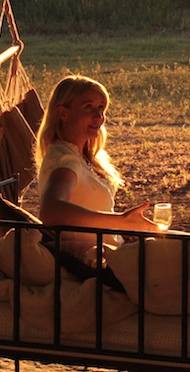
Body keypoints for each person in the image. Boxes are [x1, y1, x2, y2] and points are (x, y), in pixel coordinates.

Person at [34, 74, 159, 252]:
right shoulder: (64, 161)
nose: (99, 116)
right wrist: (121, 221)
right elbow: (51, 211)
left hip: (113, 250)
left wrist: (123, 230)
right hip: (100, 260)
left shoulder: (81, 156)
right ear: (63, 113)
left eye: (101, 108)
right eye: (88, 107)